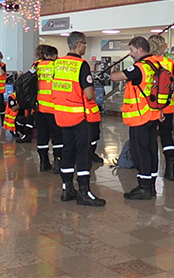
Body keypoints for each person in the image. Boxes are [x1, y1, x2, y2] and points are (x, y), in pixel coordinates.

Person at [52, 31, 105, 207]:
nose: (85, 47)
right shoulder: (81, 65)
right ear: (79, 44)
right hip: (81, 118)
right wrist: (93, 91)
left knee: (67, 151)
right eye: (85, 44)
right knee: (84, 154)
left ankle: (67, 188)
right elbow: (89, 94)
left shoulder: (58, 64)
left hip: (63, 115)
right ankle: (84, 191)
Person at [111, 36, 160, 200]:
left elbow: (116, 77)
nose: (130, 53)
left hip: (140, 117)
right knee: (152, 150)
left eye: (132, 50)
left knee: (141, 152)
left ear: (140, 50)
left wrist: (114, 71)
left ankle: (144, 187)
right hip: (153, 114)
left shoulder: (140, 67)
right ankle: (151, 184)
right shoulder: (156, 64)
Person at [148, 34, 174, 182]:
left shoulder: (147, 64)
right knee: (167, 136)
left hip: (151, 107)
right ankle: (171, 168)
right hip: (168, 106)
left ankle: (151, 169)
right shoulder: (170, 63)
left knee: (151, 137)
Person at [33, 44, 63, 172]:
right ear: (55, 56)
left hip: (39, 107)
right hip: (53, 107)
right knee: (57, 136)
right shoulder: (57, 67)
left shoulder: (36, 67)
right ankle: (58, 162)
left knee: (42, 135)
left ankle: (43, 162)